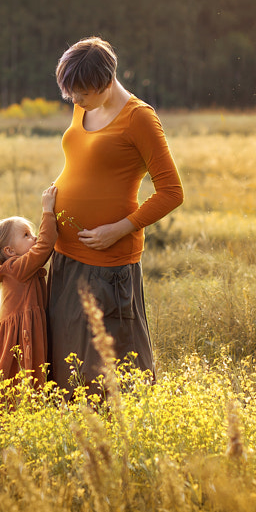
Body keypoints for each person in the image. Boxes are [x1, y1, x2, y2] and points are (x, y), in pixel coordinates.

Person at [48, 36, 183, 397]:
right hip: (65, 254)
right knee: (67, 354)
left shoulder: (139, 118)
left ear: (107, 82)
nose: (75, 101)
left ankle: (121, 440)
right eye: (70, 93)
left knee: (114, 364)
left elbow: (172, 192)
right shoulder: (84, 105)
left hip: (108, 263)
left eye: (83, 93)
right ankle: (77, 432)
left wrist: (119, 229)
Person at [0, 186, 58, 398]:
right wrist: (48, 211)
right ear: (10, 251)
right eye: (26, 235)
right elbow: (45, 245)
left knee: (24, 373)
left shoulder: (17, 266)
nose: (34, 237)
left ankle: (27, 408)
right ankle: (18, 412)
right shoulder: (17, 268)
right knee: (18, 373)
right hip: (19, 332)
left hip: (24, 325)